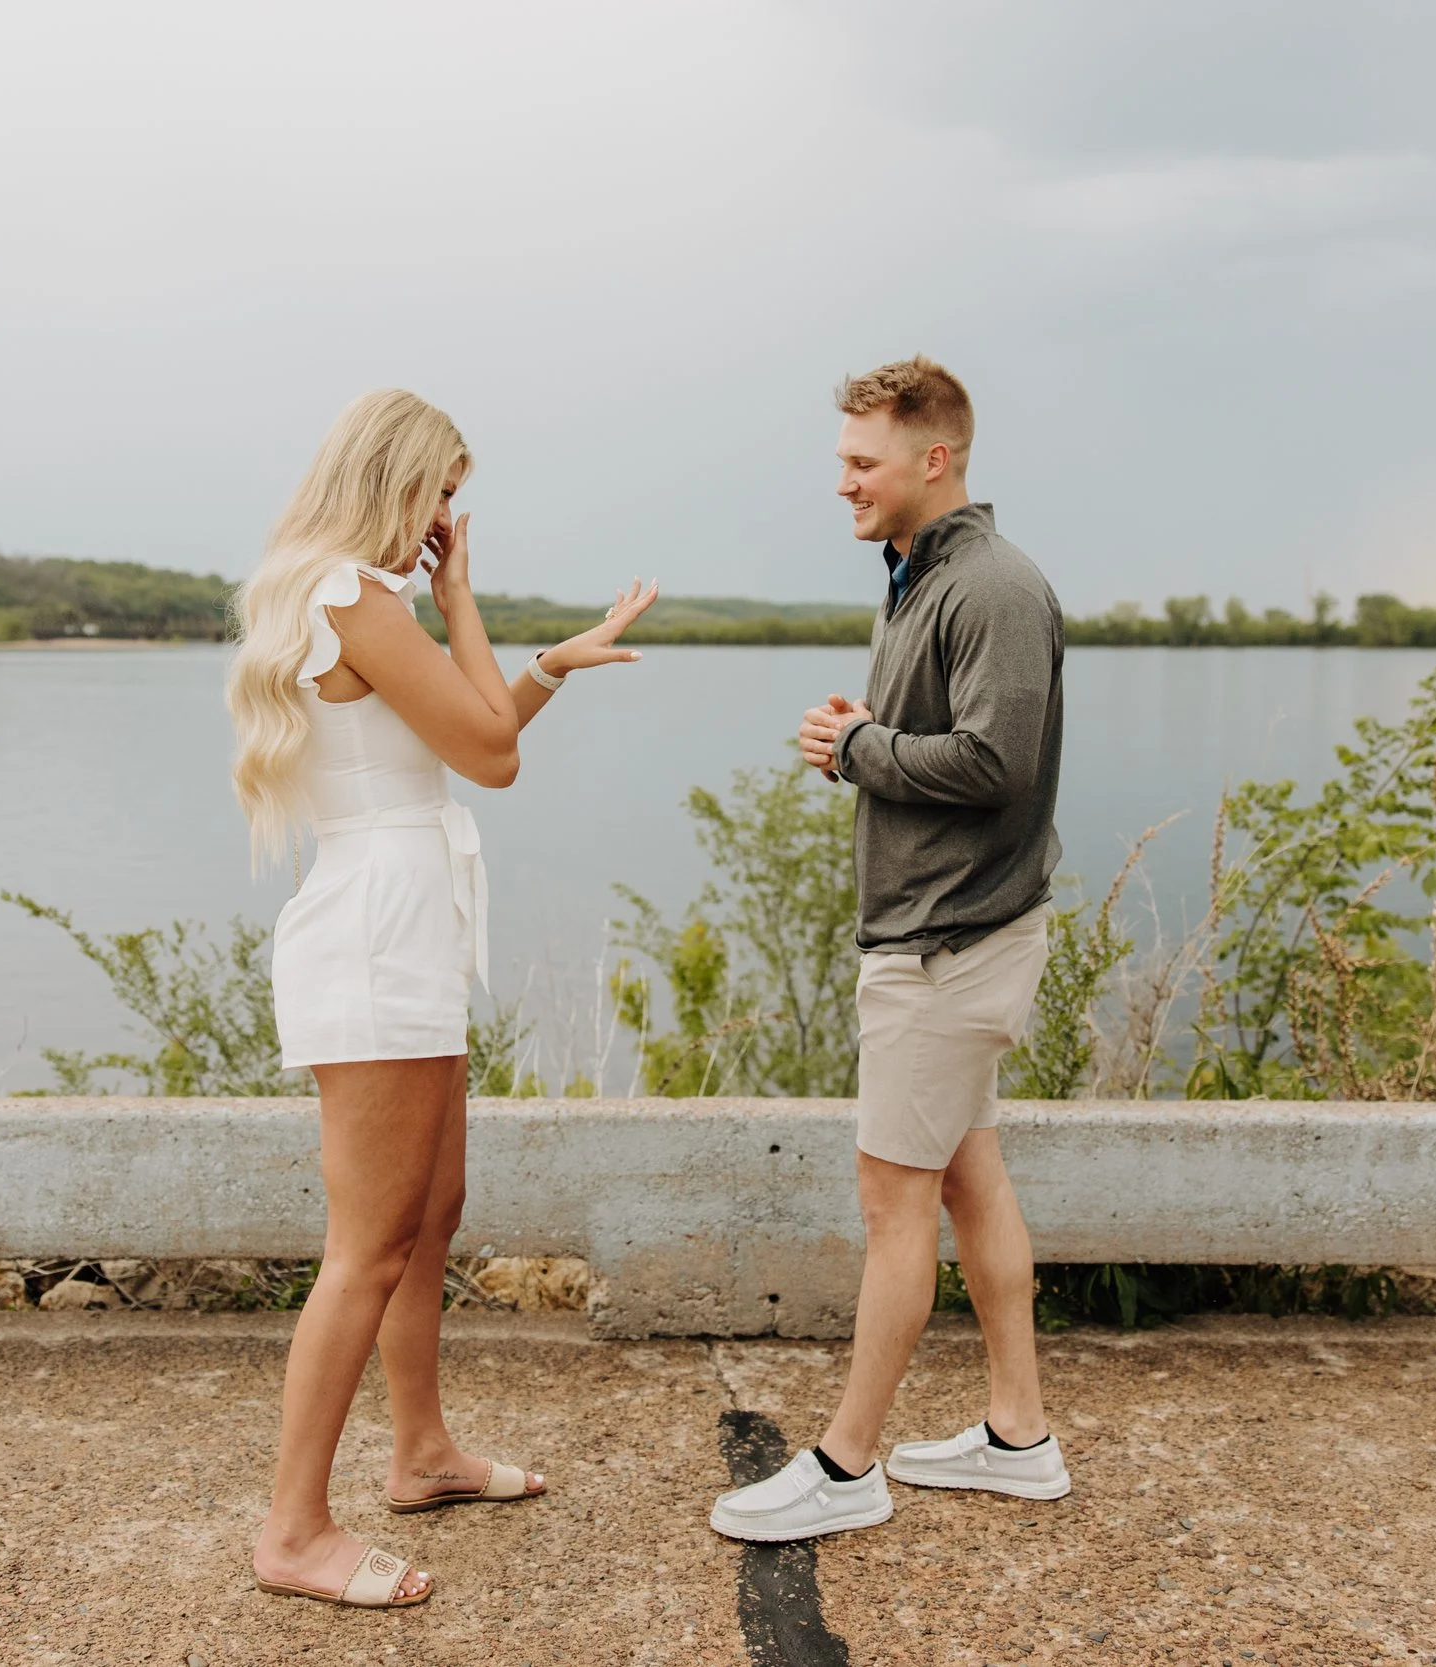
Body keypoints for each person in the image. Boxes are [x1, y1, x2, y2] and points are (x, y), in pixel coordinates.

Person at [227, 389, 658, 1607]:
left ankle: (420, 1453)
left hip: (403, 923)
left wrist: (549, 667)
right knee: (366, 1245)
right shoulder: (353, 597)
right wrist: (464, 601)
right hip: (376, 937)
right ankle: (293, 1528)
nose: (446, 520)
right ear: (396, 479)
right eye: (442, 493)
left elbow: (458, 738)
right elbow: (490, 754)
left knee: (432, 1211)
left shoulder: (343, 595)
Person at [710, 356, 1070, 1543]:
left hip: (947, 942)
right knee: (969, 1174)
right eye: (842, 461)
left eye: (861, 463)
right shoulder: (919, 577)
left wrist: (859, 746)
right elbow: (948, 747)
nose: (844, 483)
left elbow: (994, 764)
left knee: (891, 1199)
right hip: (945, 933)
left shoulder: (995, 589)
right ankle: (1018, 1433)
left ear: (936, 458)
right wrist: (860, 742)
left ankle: (846, 1461)